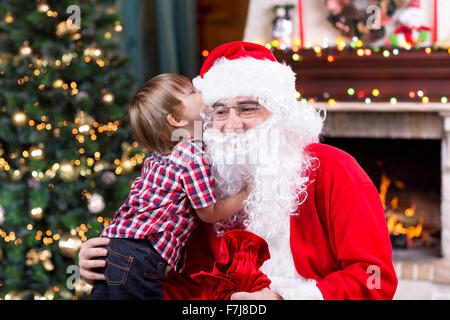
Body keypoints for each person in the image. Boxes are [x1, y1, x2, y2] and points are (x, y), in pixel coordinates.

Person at [80, 42, 398, 300]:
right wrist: (113, 270)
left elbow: (374, 279)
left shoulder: (334, 169)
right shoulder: (207, 185)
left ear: (282, 112)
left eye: (248, 108)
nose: (232, 125)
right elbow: (186, 287)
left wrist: (284, 299)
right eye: (219, 110)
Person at [90, 73, 252, 300]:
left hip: (116, 248)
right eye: (192, 91)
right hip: (140, 256)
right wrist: (246, 193)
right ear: (176, 119)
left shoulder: (161, 156)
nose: (200, 90)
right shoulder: (192, 154)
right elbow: (209, 212)